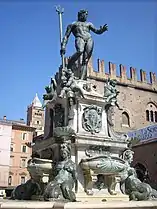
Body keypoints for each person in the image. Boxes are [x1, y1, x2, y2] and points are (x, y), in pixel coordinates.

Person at [60, 10, 108, 80]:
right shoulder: (73, 24)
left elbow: (97, 31)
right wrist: (63, 46)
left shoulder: (89, 24)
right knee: (80, 51)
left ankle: (82, 79)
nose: (86, 16)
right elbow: (66, 36)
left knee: (85, 60)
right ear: (80, 15)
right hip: (79, 38)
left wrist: (102, 30)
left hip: (89, 39)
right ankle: (69, 66)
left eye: (87, 15)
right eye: (85, 15)